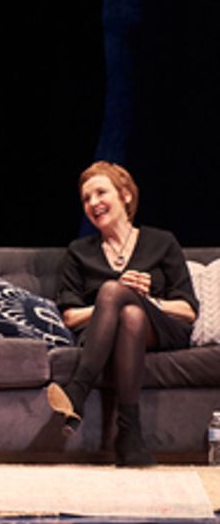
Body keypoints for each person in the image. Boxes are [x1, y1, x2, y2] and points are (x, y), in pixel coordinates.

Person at [47, 162, 197, 467]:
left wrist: (146, 298)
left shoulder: (162, 242)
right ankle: (129, 437)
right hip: (105, 333)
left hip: (161, 328)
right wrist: (110, 302)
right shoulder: (79, 251)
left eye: (101, 192)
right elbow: (71, 317)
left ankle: (78, 389)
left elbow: (188, 310)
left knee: (121, 297)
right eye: (86, 199)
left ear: (125, 195)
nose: (93, 203)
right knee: (128, 313)